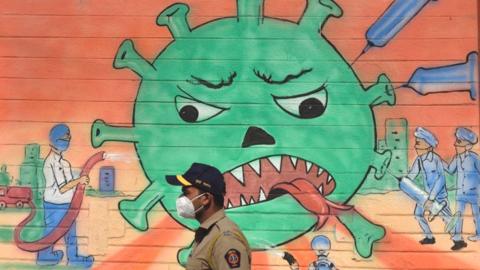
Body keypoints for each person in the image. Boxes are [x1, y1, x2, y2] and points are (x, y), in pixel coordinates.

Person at [166, 162, 251, 270]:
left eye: (186, 193)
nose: (181, 198)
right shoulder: (208, 233)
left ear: (205, 198)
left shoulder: (225, 239)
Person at [36, 124, 94, 267]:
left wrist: (79, 183)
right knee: (52, 231)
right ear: (55, 140)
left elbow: (69, 184)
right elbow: (62, 188)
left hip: (67, 203)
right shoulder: (51, 162)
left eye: (69, 137)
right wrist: (79, 180)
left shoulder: (65, 163)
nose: (68, 141)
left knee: (70, 233)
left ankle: (73, 259)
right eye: (65, 137)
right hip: (55, 204)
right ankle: (44, 257)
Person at [407, 127, 452, 245]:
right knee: (418, 214)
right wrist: (404, 181)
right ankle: (429, 237)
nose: (416, 147)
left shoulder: (435, 159)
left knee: (447, 218)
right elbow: (412, 174)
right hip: (425, 195)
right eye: (416, 144)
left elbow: (441, 179)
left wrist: (432, 198)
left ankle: (457, 239)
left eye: (418, 143)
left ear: (428, 145)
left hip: (438, 195)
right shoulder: (419, 159)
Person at [444, 127, 480, 250]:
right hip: (460, 193)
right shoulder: (457, 158)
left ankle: (479, 234)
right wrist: (439, 161)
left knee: (477, 215)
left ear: (468, 146)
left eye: (459, 142)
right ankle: (458, 239)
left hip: (474, 193)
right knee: (458, 215)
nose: (455, 144)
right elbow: (450, 170)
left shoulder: (474, 158)